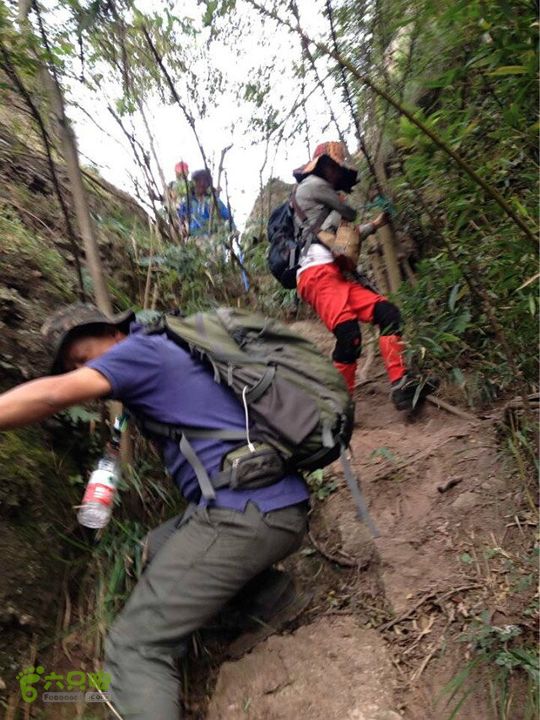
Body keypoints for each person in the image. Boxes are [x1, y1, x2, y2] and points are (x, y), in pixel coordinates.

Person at [0, 303, 310, 720]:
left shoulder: (137, 351)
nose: (79, 369)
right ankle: (269, 599)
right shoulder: (158, 351)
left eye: (81, 356)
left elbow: (53, 394)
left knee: (134, 646)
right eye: (71, 365)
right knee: (149, 552)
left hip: (245, 512)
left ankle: (151, 667)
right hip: (264, 502)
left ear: (113, 332)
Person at [292, 141, 437, 409]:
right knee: (349, 336)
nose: (336, 172)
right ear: (320, 167)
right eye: (332, 167)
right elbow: (350, 213)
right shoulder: (310, 186)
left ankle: (401, 385)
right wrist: (345, 205)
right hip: (316, 273)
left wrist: (376, 224)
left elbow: (347, 236)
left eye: (338, 168)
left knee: (388, 314)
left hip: (336, 275)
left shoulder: (327, 205)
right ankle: (341, 408)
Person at [177, 168, 232, 237]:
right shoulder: (186, 202)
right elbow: (180, 219)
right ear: (193, 183)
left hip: (212, 238)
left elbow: (229, 220)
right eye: (198, 181)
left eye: (205, 181)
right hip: (192, 238)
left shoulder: (215, 201)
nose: (202, 184)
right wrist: (182, 228)